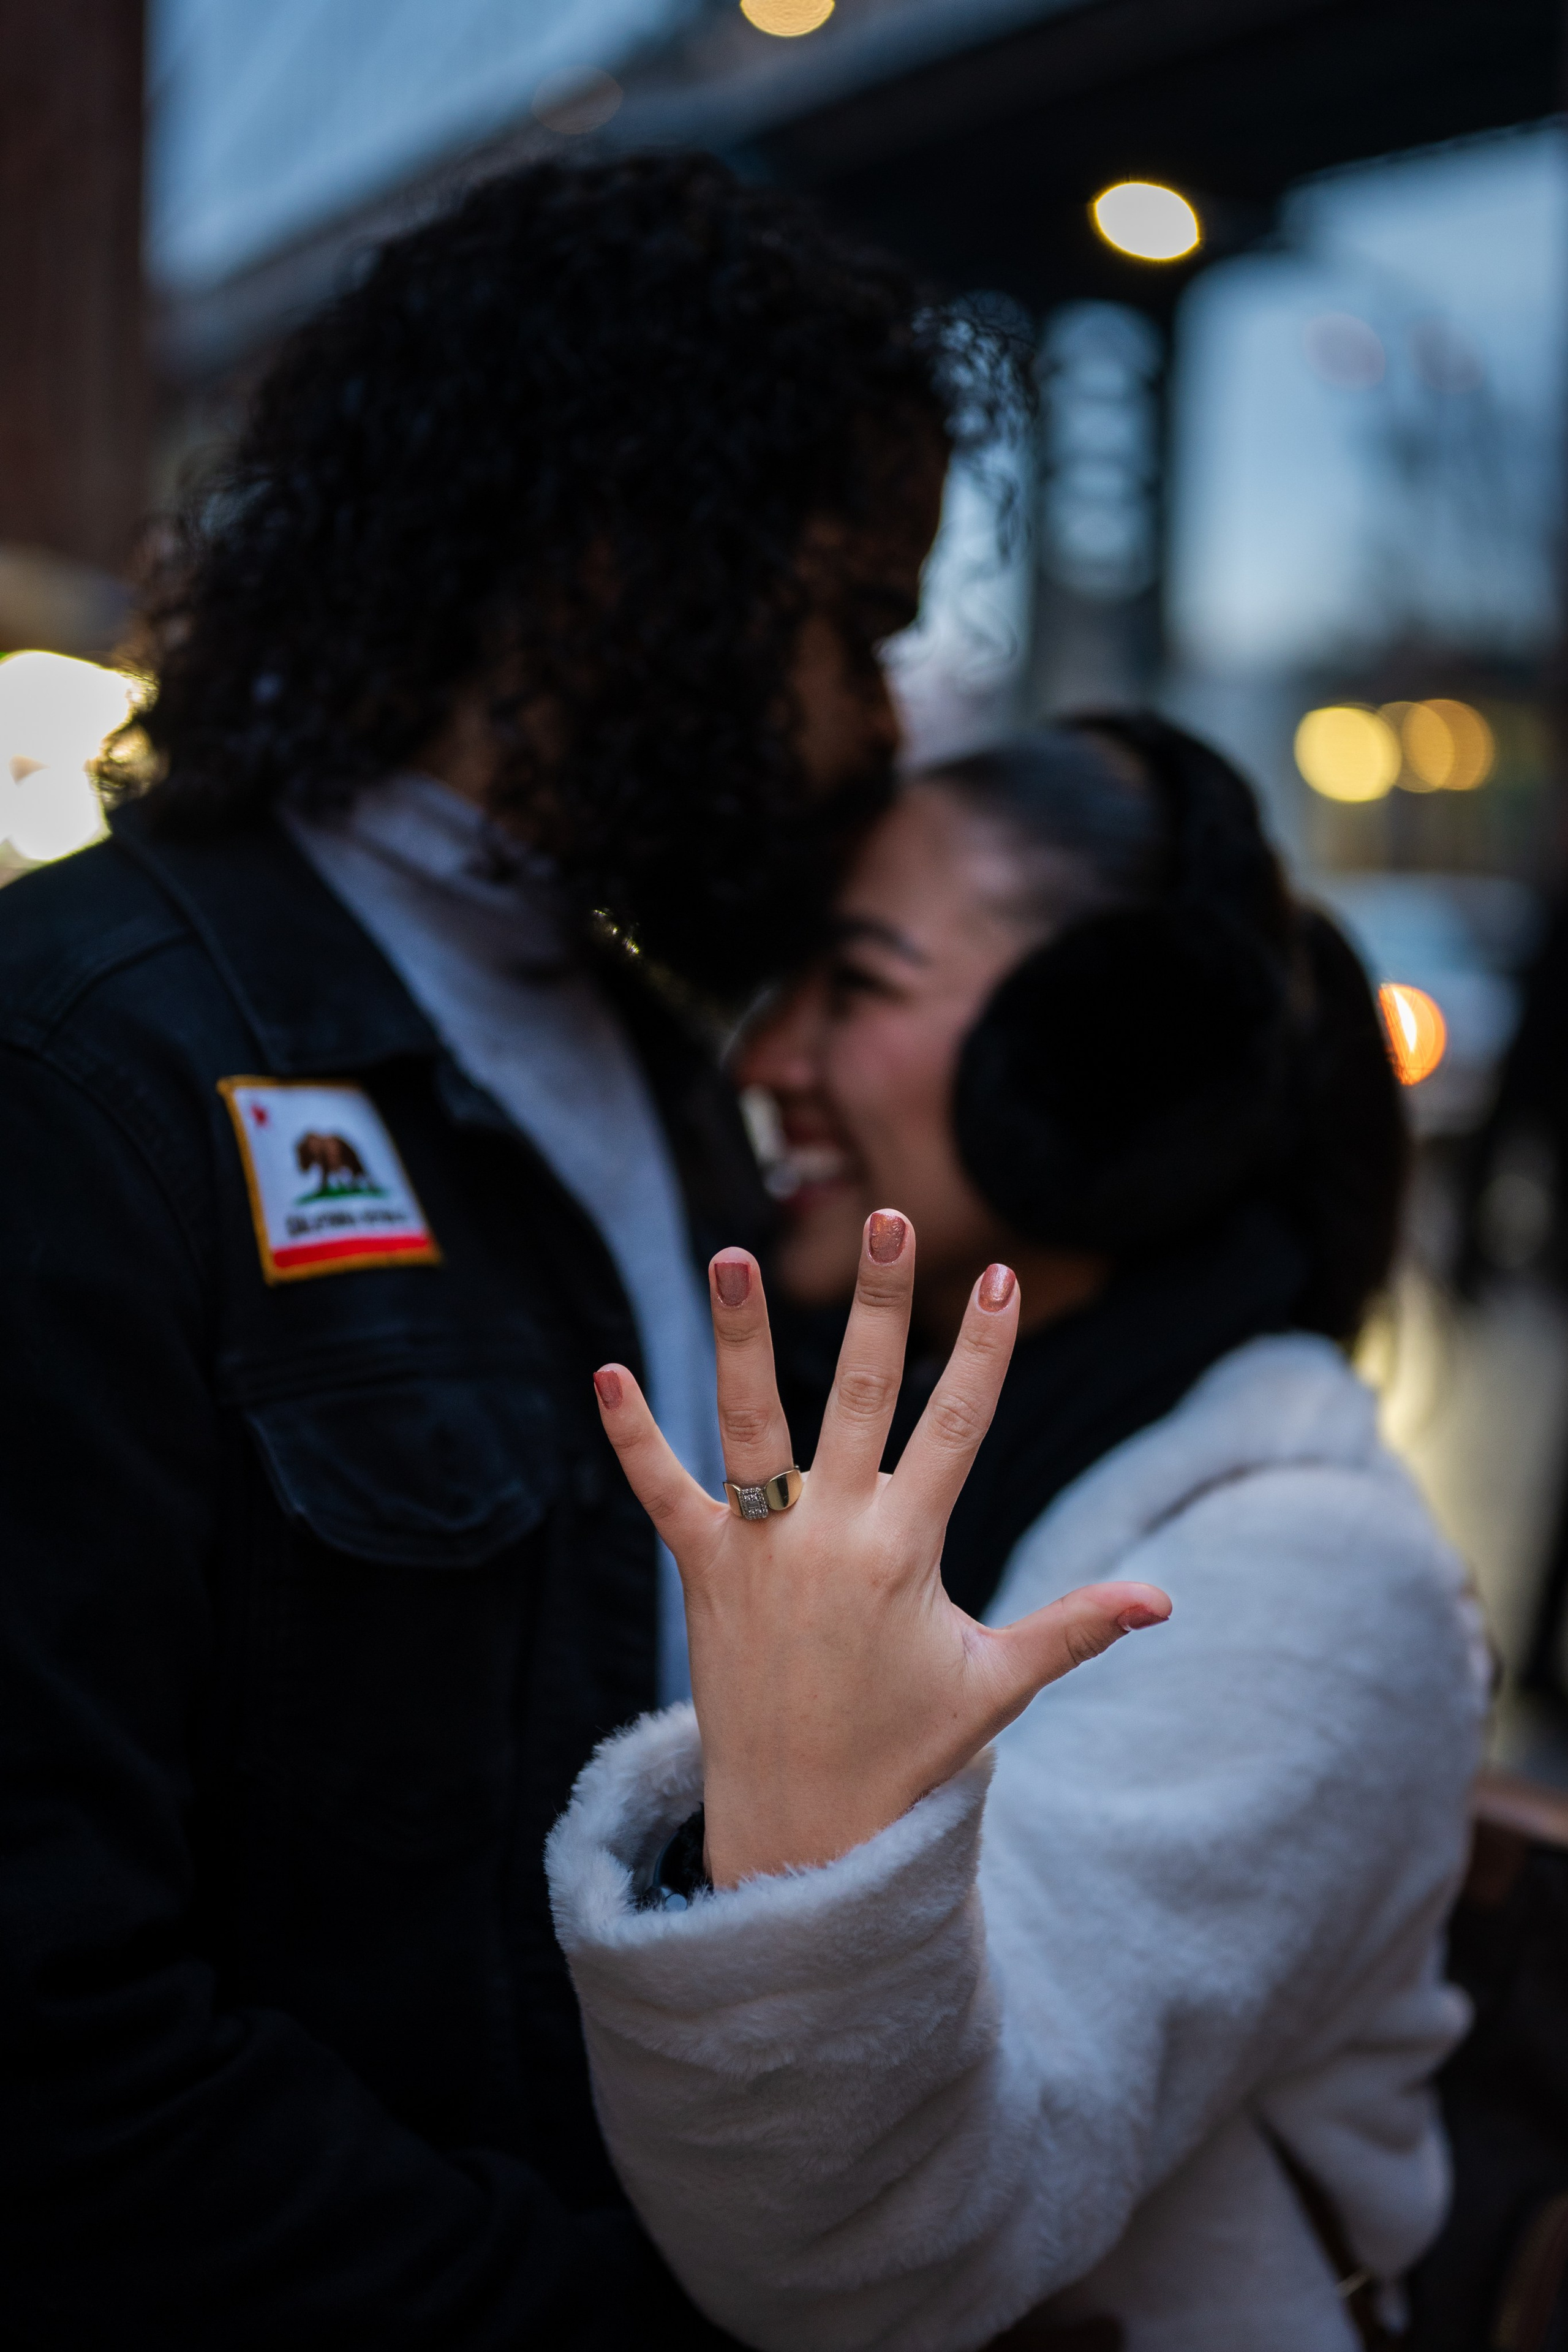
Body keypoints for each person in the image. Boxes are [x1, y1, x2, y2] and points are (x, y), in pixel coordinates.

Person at [0, 153, 973, 2349]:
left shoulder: (645, 1064)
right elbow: (52, 2038)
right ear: (624, 569)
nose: (881, 727)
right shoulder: (78, 1076)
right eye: (854, 620)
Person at [546, 719, 1490, 2351]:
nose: (766, 1061)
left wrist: (801, 1799)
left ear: (1099, 1059)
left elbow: (868, 2256)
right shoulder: (898, 1463)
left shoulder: (1322, 1579)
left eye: (855, 985)